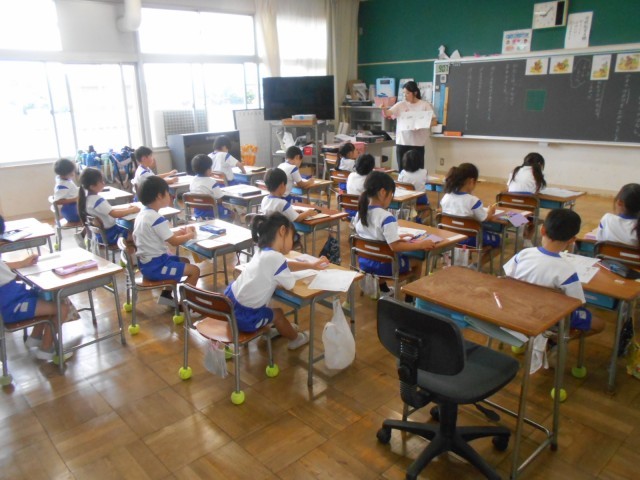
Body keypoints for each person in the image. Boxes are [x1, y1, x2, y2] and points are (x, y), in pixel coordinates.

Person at [503, 209, 605, 365]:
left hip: (516, 310)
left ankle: (529, 339)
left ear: (542, 230)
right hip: (548, 318)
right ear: (572, 240)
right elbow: (577, 302)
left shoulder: (523, 254)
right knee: (599, 324)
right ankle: (555, 340)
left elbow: (507, 278)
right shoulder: (567, 271)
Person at [224, 212, 328, 349]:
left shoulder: (263, 252)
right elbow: (289, 284)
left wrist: (311, 265)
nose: (293, 242)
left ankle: (271, 329)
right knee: (278, 314)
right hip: (246, 317)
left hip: (229, 307)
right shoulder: (275, 258)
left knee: (268, 308)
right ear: (282, 231)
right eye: (292, 237)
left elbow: (284, 264)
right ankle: (296, 339)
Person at [0, 215, 72, 361]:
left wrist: (22, 263)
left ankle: (35, 337)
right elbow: (12, 276)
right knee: (62, 308)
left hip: (11, 299)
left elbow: (4, 267)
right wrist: (22, 267)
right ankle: (46, 349)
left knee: (45, 296)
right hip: (9, 307)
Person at [354, 171, 435, 298]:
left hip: (365, 262)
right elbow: (395, 247)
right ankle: (410, 298)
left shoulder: (360, 213)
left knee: (383, 254)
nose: (391, 198)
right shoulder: (386, 217)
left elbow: (372, 236)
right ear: (383, 192)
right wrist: (421, 245)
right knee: (417, 261)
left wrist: (396, 237)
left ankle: (384, 289)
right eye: (391, 194)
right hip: (386, 266)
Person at [133, 176, 200, 306]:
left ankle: (166, 296)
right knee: (194, 270)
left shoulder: (143, 214)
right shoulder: (156, 218)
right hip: (156, 267)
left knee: (183, 261)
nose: (170, 196)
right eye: (168, 193)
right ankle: (184, 304)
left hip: (146, 264)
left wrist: (179, 233)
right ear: (159, 196)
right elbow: (174, 242)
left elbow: (161, 235)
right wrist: (189, 235)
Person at [440, 163, 500, 258]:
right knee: (499, 242)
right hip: (470, 239)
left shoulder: (446, 197)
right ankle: (477, 264)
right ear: (471, 181)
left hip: (450, 236)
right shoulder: (473, 201)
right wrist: (490, 211)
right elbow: (484, 218)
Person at [382, 80, 437, 171]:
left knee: (418, 171)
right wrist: (384, 109)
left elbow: (434, 122)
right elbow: (388, 113)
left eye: (407, 93)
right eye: (404, 93)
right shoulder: (400, 104)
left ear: (415, 93)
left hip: (417, 144)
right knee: (402, 170)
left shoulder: (424, 105)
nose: (405, 96)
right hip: (402, 142)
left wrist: (422, 124)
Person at [78, 167, 139, 245]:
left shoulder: (86, 199)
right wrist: (131, 210)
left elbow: (111, 211)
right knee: (137, 236)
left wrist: (127, 209)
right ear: (92, 186)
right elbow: (115, 214)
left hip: (100, 235)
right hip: (111, 235)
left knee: (127, 227)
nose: (103, 183)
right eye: (101, 181)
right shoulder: (98, 200)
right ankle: (129, 251)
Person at [506, 152, 547, 247]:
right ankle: (527, 239)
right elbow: (539, 190)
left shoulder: (515, 170)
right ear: (540, 164)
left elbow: (508, 187)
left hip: (509, 210)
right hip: (526, 211)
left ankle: (519, 224)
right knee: (535, 214)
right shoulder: (537, 174)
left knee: (521, 207)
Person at [188, 154, 233, 221]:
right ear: (208, 170)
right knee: (231, 212)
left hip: (197, 213)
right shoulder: (212, 182)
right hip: (212, 212)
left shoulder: (192, 180)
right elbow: (219, 200)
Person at [398, 149, 430, 224]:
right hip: (420, 200)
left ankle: (411, 219)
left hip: (405, 200)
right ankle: (419, 220)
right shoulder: (424, 172)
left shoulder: (402, 173)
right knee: (429, 207)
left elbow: (399, 185)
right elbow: (427, 182)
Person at [52, 158, 80, 223]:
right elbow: (57, 201)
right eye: (71, 172)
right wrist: (75, 199)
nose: (73, 174)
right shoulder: (62, 185)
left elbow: (71, 191)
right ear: (65, 173)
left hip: (73, 208)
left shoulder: (65, 180)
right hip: (71, 211)